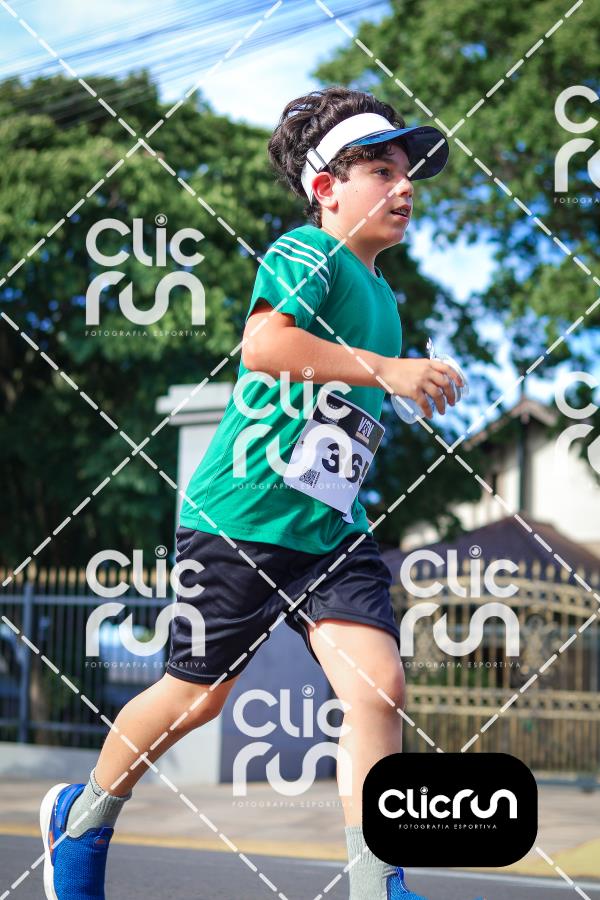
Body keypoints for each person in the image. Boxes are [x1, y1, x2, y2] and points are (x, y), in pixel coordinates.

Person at [40, 86, 464, 900]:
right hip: (241, 516)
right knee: (197, 697)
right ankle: (81, 818)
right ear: (325, 187)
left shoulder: (382, 295)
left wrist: (391, 384)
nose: (405, 187)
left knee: (379, 688)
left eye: (408, 174)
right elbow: (265, 345)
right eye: (382, 171)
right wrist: (390, 371)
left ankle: (377, 882)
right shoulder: (308, 253)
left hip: (330, 529)